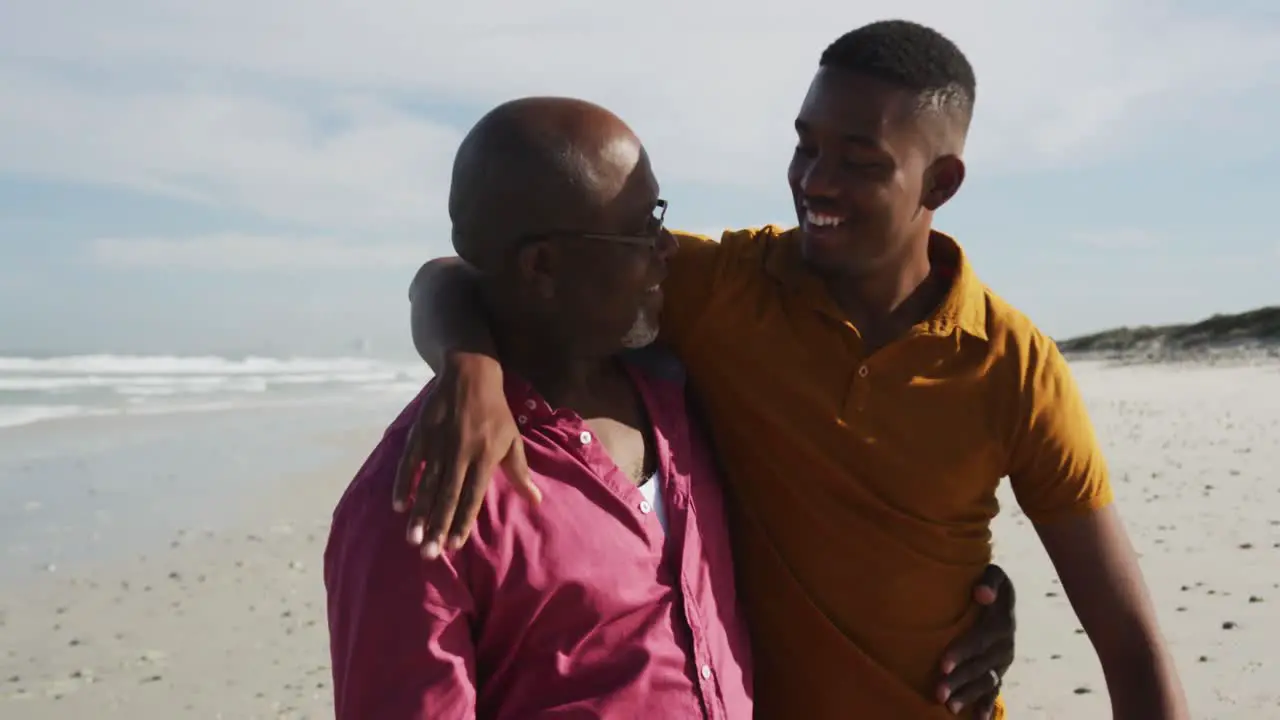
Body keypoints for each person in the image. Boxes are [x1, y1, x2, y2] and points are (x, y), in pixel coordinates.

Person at [398, 20, 1189, 720]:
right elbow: (469, 273)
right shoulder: (722, 289)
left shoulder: (1014, 367)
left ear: (940, 184)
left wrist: (985, 605)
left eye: (860, 160)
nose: (815, 181)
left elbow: (1129, 644)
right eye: (806, 144)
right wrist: (470, 367)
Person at [327, 96, 1016, 719]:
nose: (666, 250)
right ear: (541, 267)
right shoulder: (423, 497)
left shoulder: (691, 396)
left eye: (659, 217)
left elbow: (827, 528)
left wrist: (958, 605)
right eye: (638, 232)